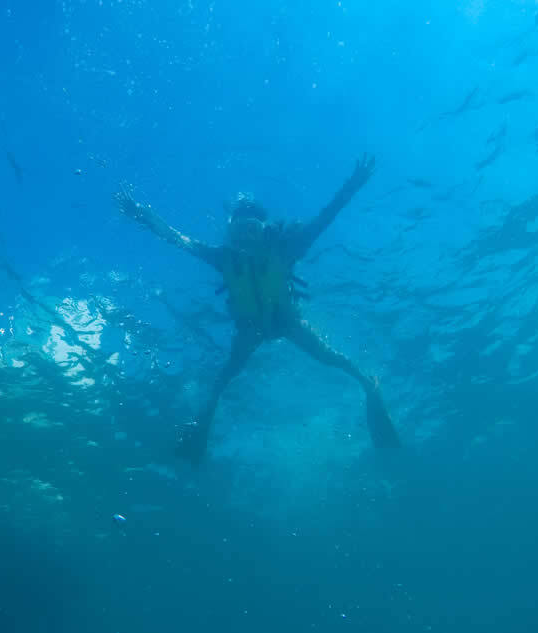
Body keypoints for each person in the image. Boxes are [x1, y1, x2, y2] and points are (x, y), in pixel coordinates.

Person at [114, 154, 399, 464]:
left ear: (264, 229)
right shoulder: (223, 258)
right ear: (230, 233)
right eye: (239, 231)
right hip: (249, 330)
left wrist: (353, 184)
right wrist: (142, 215)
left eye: (252, 229)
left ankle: (370, 389)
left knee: (334, 360)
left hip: (291, 324)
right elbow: (178, 239)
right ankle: (198, 432)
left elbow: (326, 216)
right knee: (221, 381)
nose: (246, 237)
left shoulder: (288, 247)